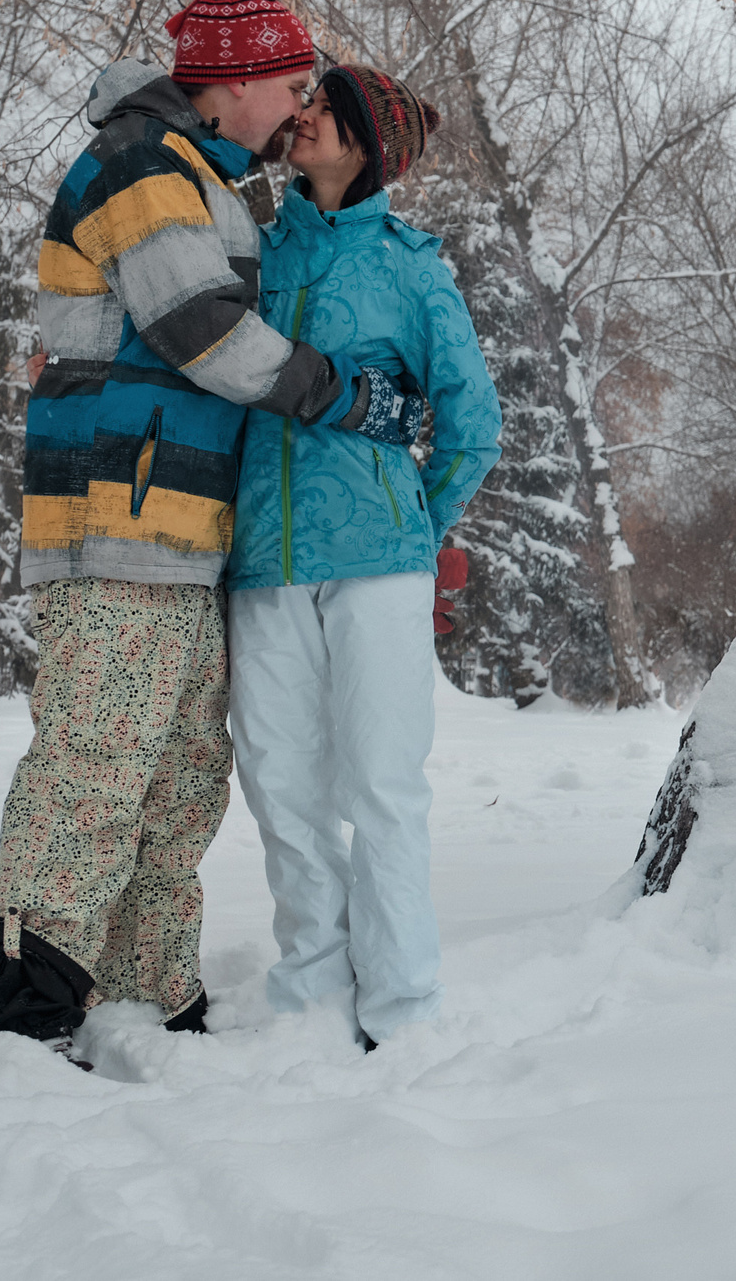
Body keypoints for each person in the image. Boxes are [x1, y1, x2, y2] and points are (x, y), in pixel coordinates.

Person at [0, 0, 422, 1056]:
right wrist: (342, 394)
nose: (301, 104)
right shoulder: (140, 165)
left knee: (178, 770)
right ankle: (28, 1000)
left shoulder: (205, 182)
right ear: (240, 80)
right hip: (114, 515)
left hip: (180, 527)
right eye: (294, 83)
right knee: (99, 754)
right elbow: (197, 330)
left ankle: (145, 990)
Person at [225, 63, 502, 1048]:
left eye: (327, 112)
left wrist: (417, 530)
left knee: (382, 784)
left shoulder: (409, 267)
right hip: (262, 559)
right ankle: (309, 993)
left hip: (380, 560)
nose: (302, 120)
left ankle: (402, 1005)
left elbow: (473, 423)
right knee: (279, 783)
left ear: (368, 146)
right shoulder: (250, 244)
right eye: (305, 105)